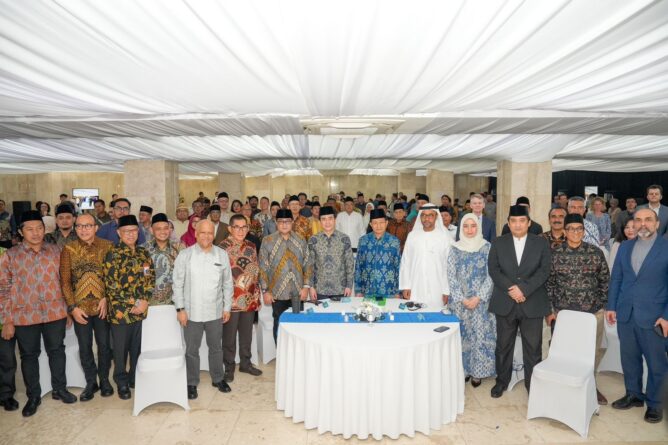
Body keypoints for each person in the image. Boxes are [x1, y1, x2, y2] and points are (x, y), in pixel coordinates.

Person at [0, 210, 78, 417]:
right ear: (21, 232)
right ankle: (34, 396)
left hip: (55, 312)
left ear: (45, 229)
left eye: (39, 228)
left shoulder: (56, 251)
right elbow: (3, 289)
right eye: (30, 229)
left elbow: (65, 282)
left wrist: (68, 310)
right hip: (24, 316)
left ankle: (60, 389)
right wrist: (7, 320)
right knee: (29, 356)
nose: (35, 233)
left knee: (57, 351)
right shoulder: (10, 255)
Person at [606, 209, 668, 423]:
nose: (643, 224)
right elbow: (617, 278)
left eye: (648, 219)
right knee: (629, 359)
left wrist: (666, 316)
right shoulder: (625, 247)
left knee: (657, 364)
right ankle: (633, 394)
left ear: (657, 224)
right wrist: (611, 306)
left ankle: (655, 403)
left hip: (655, 318)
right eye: (638, 220)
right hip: (626, 314)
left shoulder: (665, 248)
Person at [487, 205, 551, 398]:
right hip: (505, 301)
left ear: (529, 223)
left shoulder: (541, 243)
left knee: (533, 348)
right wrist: (512, 289)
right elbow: (494, 270)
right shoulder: (498, 242)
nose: (517, 224)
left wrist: (523, 289)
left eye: (522, 221)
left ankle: (533, 385)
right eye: (513, 221)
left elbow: (544, 271)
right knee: (503, 346)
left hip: (532, 301)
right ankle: (501, 381)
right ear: (508, 223)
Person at [546, 213, 610, 404]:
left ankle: (590, 386)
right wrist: (550, 311)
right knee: (564, 353)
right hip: (563, 315)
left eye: (579, 229)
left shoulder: (595, 253)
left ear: (584, 231)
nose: (575, 232)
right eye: (571, 229)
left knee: (590, 353)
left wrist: (600, 306)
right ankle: (563, 387)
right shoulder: (555, 254)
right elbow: (549, 285)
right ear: (565, 231)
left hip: (591, 314)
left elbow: (605, 281)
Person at [173, 219, 234, 399]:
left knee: (216, 347)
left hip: (215, 311)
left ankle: (218, 378)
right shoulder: (185, 255)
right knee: (192, 349)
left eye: (210, 233)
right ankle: (192, 382)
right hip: (191, 313)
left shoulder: (221, 254)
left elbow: (227, 283)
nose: (206, 236)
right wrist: (180, 309)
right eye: (203, 233)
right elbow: (177, 284)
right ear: (196, 234)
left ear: (213, 235)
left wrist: (227, 308)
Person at [60, 213, 114, 401]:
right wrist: (72, 307)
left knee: (104, 345)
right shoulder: (68, 249)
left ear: (96, 228)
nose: (83, 229)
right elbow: (65, 282)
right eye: (80, 226)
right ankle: (91, 382)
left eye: (88, 225)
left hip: (102, 307)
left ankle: (105, 380)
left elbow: (113, 276)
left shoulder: (108, 246)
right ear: (75, 228)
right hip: (80, 309)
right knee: (84, 346)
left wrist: (107, 297)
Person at [103, 214, 154, 400]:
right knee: (120, 350)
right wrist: (135, 302)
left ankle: (134, 378)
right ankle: (121, 381)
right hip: (121, 313)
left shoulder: (143, 253)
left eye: (133, 230)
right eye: (126, 231)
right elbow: (112, 287)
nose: (131, 234)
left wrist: (145, 301)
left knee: (136, 348)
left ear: (138, 231)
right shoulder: (113, 254)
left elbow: (150, 277)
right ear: (118, 233)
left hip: (140, 311)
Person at [447, 213, 496, 387]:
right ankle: (463, 370)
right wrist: (462, 299)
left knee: (480, 336)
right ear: (461, 228)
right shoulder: (454, 248)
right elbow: (451, 275)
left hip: (481, 303)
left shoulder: (487, 247)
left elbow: (492, 275)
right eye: (465, 226)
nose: (469, 230)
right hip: (459, 303)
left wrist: (479, 297)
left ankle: (478, 372)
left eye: (473, 225)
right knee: (462, 336)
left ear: (478, 227)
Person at [220, 215, 263, 381]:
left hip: (249, 299)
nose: (241, 230)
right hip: (230, 301)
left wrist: (256, 297)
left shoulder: (252, 246)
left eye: (244, 227)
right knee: (229, 337)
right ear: (230, 229)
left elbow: (256, 272)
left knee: (247, 335)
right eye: (237, 227)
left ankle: (246, 363)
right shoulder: (222, 248)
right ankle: (229, 366)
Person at [259, 209, 312, 342]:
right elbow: (263, 267)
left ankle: (297, 352)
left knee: (298, 324)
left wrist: (306, 287)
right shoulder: (267, 241)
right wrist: (265, 291)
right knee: (279, 323)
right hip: (277, 292)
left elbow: (307, 264)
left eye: (287, 221)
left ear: (292, 222)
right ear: (276, 223)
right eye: (281, 222)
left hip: (298, 292)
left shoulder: (301, 240)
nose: (284, 224)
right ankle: (280, 352)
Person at [399, 203, 452, 309]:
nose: (426, 218)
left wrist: (446, 290)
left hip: (438, 288)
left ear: (436, 217)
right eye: (423, 215)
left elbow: (449, 265)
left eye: (430, 215)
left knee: (436, 315)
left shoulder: (445, 236)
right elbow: (405, 262)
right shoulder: (412, 236)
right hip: (415, 286)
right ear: (420, 217)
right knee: (415, 314)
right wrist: (405, 286)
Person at [307, 206, 354, 301]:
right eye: (323, 219)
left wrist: (349, 285)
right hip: (319, 289)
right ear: (320, 221)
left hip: (341, 289)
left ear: (335, 220)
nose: (327, 222)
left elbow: (349, 264)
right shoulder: (313, 240)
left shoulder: (344, 239)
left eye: (330, 218)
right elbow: (309, 265)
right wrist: (311, 287)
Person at [355, 209, 401, 299]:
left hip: (389, 291)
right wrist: (358, 290)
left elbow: (398, 267)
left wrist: (398, 291)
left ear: (386, 223)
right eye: (375, 223)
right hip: (367, 290)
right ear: (370, 224)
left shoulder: (394, 241)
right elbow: (358, 266)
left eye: (381, 222)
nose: (378, 226)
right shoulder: (363, 241)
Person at [143, 213, 182, 306]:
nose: (163, 232)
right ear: (151, 230)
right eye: (158, 229)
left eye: (165, 228)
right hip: (149, 303)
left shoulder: (179, 248)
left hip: (174, 302)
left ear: (169, 229)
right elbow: (144, 274)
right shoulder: (143, 250)